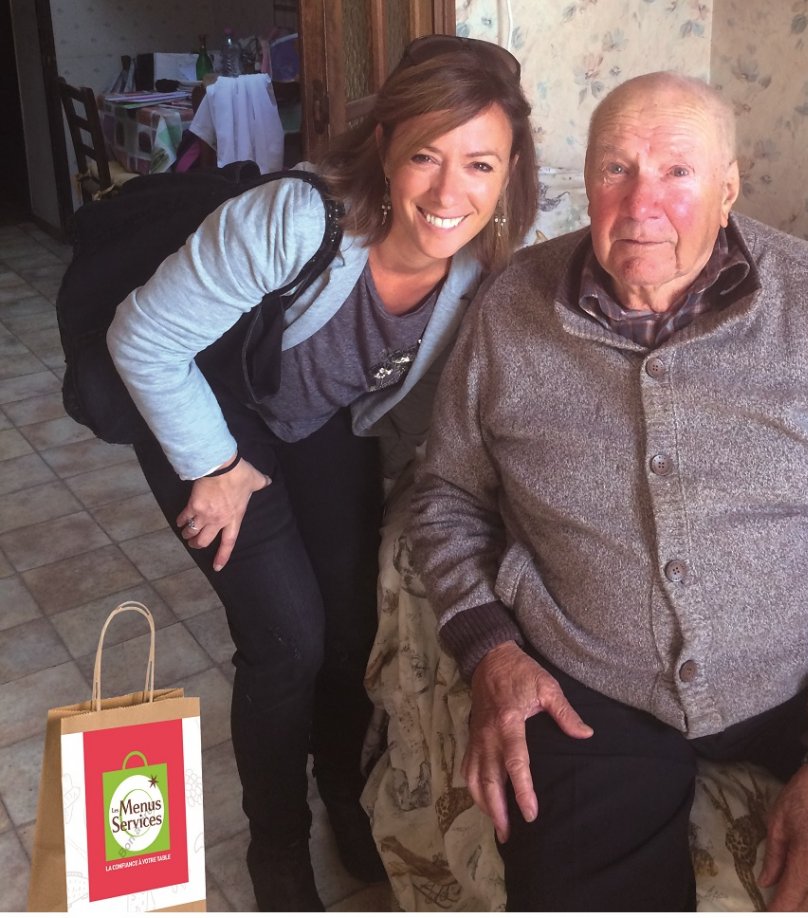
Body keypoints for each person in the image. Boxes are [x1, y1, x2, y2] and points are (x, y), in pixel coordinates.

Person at [409, 71, 808, 911]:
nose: (640, 203)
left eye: (677, 172)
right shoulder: (511, 306)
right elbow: (445, 494)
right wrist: (490, 647)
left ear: (729, 188)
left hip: (803, 664)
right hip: (593, 682)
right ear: (585, 182)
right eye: (615, 169)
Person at [107, 35, 538, 912]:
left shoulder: (486, 267)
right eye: (425, 155)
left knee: (350, 630)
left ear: (510, 169)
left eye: (479, 163)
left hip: (312, 420)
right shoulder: (297, 220)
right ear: (384, 145)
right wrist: (217, 465)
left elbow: (417, 409)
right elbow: (142, 339)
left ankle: (344, 791)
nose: (450, 193)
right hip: (210, 406)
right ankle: (276, 846)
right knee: (289, 641)